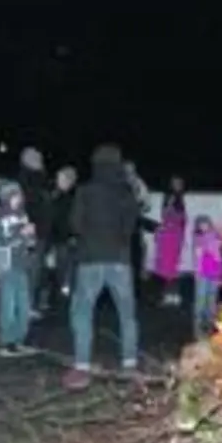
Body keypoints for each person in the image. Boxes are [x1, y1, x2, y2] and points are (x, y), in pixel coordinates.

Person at [63, 144, 143, 390]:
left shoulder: (86, 191)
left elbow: (75, 223)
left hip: (90, 259)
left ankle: (82, 366)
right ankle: (129, 363)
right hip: (120, 259)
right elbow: (132, 224)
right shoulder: (126, 191)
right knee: (127, 314)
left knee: (83, 311)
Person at [0, 182, 38, 357]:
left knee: (24, 306)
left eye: (19, 194)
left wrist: (31, 236)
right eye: (15, 195)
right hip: (7, 265)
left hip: (21, 264)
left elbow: (30, 240)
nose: (19, 198)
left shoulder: (23, 214)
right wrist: (21, 234)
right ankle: (5, 342)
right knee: (7, 305)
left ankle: (19, 340)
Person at [16, 147, 52, 317]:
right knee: (31, 271)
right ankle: (26, 305)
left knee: (32, 271)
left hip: (38, 231)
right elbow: (34, 206)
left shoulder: (37, 179)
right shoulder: (31, 181)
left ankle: (26, 304)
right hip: (32, 232)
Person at [42, 165, 78, 310]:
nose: (58, 181)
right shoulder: (53, 195)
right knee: (50, 269)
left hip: (65, 239)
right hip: (52, 238)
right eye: (58, 178)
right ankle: (53, 297)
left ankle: (64, 297)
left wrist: (73, 235)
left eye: (62, 178)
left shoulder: (73, 197)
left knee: (65, 269)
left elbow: (72, 220)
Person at [153, 175, 189, 307]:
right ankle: (170, 295)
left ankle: (173, 295)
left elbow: (181, 219)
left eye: (179, 183)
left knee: (171, 267)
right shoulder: (170, 198)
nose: (177, 186)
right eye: (175, 183)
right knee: (167, 268)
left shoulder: (179, 200)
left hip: (173, 236)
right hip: (168, 236)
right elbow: (165, 215)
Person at [190, 215, 222, 338]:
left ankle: (209, 330)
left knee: (211, 304)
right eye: (201, 224)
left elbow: (220, 252)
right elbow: (197, 257)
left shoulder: (216, 237)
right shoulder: (198, 239)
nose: (204, 226)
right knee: (200, 304)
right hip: (202, 275)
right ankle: (198, 332)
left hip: (214, 275)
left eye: (206, 224)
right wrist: (197, 273)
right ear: (198, 226)